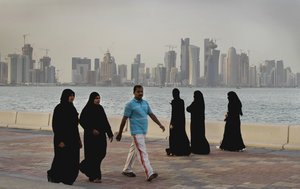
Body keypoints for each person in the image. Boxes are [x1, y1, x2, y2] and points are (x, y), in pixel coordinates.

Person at [116, 85, 165, 182]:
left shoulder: (145, 103)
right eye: (138, 92)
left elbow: (151, 114)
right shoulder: (129, 105)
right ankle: (149, 172)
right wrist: (120, 132)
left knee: (134, 150)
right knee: (143, 152)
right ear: (134, 92)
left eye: (142, 91)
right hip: (136, 132)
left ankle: (127, 169)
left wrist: (160, 124)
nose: (140, 93)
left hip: (143, 131)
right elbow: (124, 119)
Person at [47, 89, 82, 185]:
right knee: (61, 159)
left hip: (73, 139)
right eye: (70, 95)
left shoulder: (72, 108)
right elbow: (56, 125)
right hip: (62, 139)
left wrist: (79, 140)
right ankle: (54, 176)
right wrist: (60, 140)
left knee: (73, 160)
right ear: (65, 96)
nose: (72, 97)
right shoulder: (59, 108)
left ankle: (69, 179)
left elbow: (75, 126)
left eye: (73, 95)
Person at [79, 92, 114, 183]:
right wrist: (91, 129)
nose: (98, 100)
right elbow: (82, 121)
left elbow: (105, 121)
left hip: (101, 136)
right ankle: (95, 176)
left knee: (101, 153)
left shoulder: (100, 108)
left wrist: (109, 133)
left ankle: (83, 166)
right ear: (92, 99)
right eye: (96, 98)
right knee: (92, 156)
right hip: (90, 137)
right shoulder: (87, 109)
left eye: (99, 98)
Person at [166, 88, 191, 156]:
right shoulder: (182, 101)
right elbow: (181, 112)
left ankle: (174, 149)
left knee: (173, 135)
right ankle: (184, 149)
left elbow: (174, 114)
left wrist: (171, 124)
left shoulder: (174, 101)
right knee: (181, 134)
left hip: (174, 122)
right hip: (181, 122)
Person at [186, 90, 210, 155]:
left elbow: (188, 109)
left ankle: (195, 148)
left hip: (194, 122)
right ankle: (201, 148)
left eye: (194, 95)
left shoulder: (195, 103)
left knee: (195, 135)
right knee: (200, 135)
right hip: (200, 122)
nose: (193, 96)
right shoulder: (202, 103)